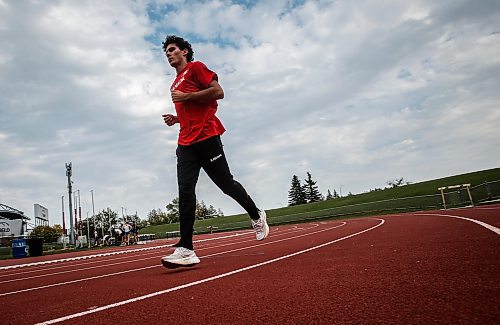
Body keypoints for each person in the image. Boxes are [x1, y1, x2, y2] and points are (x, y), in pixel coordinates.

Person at [160, 35, 269, 268]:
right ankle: (186, 248)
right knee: (185, 192)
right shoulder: (174, 83)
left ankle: (256, 214)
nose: (168, 54)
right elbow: (192, 111)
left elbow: (218, 92)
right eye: (166, 52)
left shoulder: (196, 68)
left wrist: (186, 97)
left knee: (226, 184)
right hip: (186, 143)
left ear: (185, 51)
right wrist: (177, 119)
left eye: (172, 50)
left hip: (207, 137)